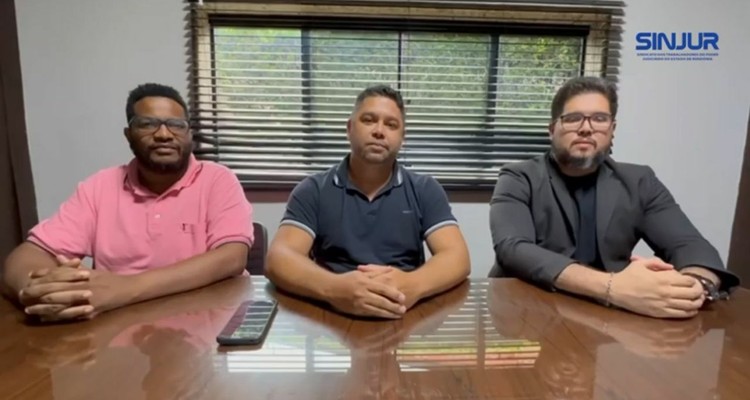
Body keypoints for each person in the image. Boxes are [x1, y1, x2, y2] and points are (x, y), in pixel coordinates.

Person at [489, 76, 739, 319]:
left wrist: (692, 286)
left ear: (612, 130)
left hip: (608, 317)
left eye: (599, 119)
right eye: (573, 118)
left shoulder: (639, 181)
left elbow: (690, 246)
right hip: (528, 311)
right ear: (553, 129)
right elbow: (513, 249)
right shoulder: (519, 177)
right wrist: (612, 286)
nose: (586, 128)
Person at [1, 83, 253, 322]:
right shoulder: (99, 186)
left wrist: (125, 288)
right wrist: (41, 290)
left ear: (189, 134)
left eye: (176, 125)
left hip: (205, 320)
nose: (163, 134)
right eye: (147, 124)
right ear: (128, 134)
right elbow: (28, 255)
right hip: (119, 326)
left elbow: (232, 257)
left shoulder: (217, 179)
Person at [266, 85, 470, 319]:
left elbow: (457, 257)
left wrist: (412, 285)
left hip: (404, 311)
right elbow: (279, 258)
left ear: (402, 138)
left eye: (391, 125)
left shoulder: (424, 189)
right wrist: (335, 289)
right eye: (369, 120)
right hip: (331, 315)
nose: (379, 131)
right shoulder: (313, 190)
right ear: (349, 128)